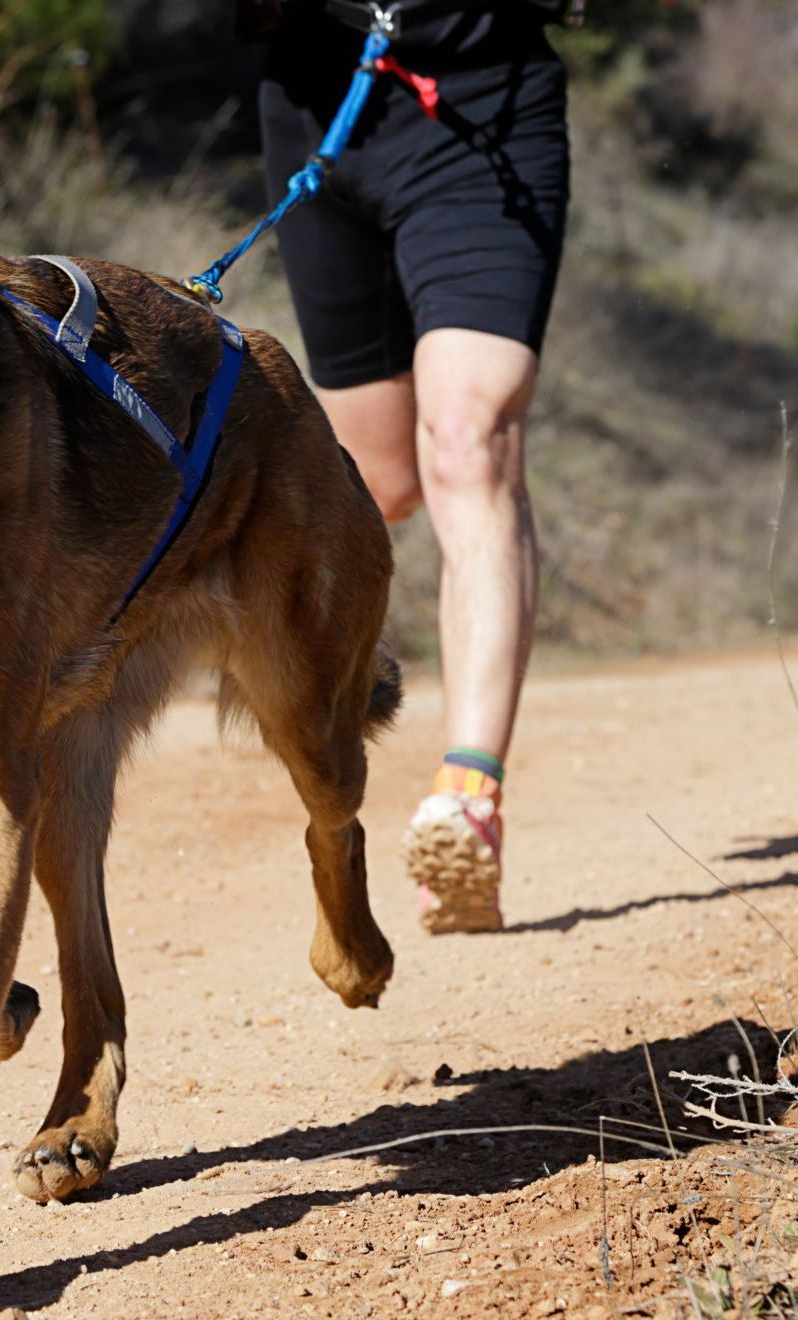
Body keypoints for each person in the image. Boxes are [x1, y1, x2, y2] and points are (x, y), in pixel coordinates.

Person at [255, 0, 573, 933]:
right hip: (319, 102)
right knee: (373, 484)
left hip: (482, 112)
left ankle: (468, 796)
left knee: (470, 442)